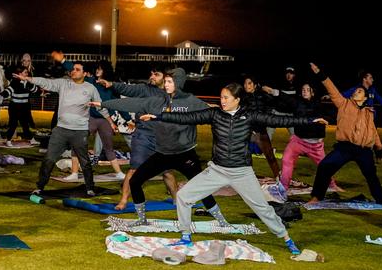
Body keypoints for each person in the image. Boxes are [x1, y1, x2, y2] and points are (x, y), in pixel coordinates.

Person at [142, 82, 327, 254]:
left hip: (242, 173)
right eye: (221, 97)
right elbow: (187, 117)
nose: (222, 101)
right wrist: (158, 116)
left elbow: (279, 120)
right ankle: (185, 236)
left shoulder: (250, 115)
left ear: (237, 100)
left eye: (226, 98)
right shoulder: (214, 114)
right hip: (217, 171)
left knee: (262, 208)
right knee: (183, 196)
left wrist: (310, 120)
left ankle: (286, 238)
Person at [91, 69, 228, 226]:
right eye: (167, 81)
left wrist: (223, 110)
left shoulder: (191, 101)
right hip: (163, 153)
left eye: (170, 82)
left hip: (185, 154)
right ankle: (142, 221)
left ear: (179, 83)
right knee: (135, 181)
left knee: (201, 189)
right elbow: (133, 103)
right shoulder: (158, 101)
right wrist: (103, 104)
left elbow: (211, 113)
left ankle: (222, 222)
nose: (166, 85)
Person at [13, 62, 108, 197]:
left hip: (79, 131)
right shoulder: (64, 83)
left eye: (77, 69)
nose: (73, 71)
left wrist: (110, 121)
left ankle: (90, 188)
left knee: (84, 160)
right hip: (61, 130)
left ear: (85, 74)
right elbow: (47, 83)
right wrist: (28, 79)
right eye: (73, 69)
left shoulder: (90, 88)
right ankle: (40, 187)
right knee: (49, 159)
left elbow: (100, 106)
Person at [96, 66, 179, 210]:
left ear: (165, 78)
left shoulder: (171, 93)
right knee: (134, 169)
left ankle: (177, 201)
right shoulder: (144, 89)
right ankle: (123, 201)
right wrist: (112, 85)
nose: (152, 76)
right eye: (151, 73)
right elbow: (128, 89)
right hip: (143, 135)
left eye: (156, 74)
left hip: (162, 137)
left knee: (167, 171)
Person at [307, 63, 382, 205]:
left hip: (364, 150)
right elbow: (331, 88)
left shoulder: (369, 113)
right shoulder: (343, 104)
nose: (356, 92)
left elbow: (374, 133)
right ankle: (316, 197)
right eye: (355, 91)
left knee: (371, 175)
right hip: (344, 148)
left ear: (364, 98)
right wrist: (320, 73)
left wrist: (379, 151)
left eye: (359, 92)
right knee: (325, 167)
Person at [263, 82, 341, 191]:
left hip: (315, 145)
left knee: (324, 166)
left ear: (312, 92)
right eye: (303, 89)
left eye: (307, 89)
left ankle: (332, 185)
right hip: (298, 141)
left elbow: (333, 116)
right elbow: (286, 98)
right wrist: (273, 91)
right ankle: (283, 187)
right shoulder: (297, 103)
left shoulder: (320, 105)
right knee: (286, 159)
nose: (304, 91)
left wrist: (326, 120)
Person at [342, 70, 382, 163]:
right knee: (364, 144)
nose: (373, 80)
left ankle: (378, 157)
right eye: (370, 78)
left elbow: (381, 100)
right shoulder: (357, 90)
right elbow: (343, 96)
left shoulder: (372, 90)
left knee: (378, 145)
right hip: (360, 123)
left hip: (371, 122)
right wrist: (330, 95)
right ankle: (360, 158)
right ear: (364, 79)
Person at [1, 66, 39, 146]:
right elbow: (9, 90)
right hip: (14, 107)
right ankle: (8, 140)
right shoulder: (15, 82)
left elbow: (36, 90)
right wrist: (4, 93)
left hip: (24, 107)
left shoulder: (28, 83)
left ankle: (31, 139)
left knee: (25, 125)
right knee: (13, 124)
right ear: (20, 74)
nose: (27, 74)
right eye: (25, 72)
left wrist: (40, 92)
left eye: (27, 73)